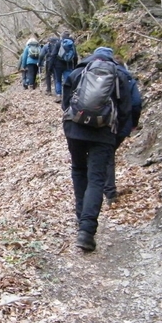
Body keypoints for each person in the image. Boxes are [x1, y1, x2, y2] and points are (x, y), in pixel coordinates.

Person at [62, 47, 132, 252]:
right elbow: (127, 110)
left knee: (78, 170)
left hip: (75, 129)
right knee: (96, 179)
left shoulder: (79, 71)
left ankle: (80, 216)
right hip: (103, 134)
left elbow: (66, 101)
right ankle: (86, 231)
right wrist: (115, 138)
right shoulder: (119, 75)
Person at [102, 50, 143, 205]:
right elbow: (136, 103)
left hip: (102, 122)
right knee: (109, 154)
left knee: (106, 155)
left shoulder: (101, 74)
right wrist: (133, 123)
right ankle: (110, 193)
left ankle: (105, 189)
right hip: (121, 124)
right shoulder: (127, 77)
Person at [52, 31, 78, 103]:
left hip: (58, 66)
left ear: (62, 37)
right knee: (67, 81)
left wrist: (51, 66)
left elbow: (53, 55)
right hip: (68, 65)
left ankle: (58, 95)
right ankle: (68, 96)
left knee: (58, 80)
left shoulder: (58, 43)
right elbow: (75, 56)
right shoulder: (72, 44)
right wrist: (75, 66)